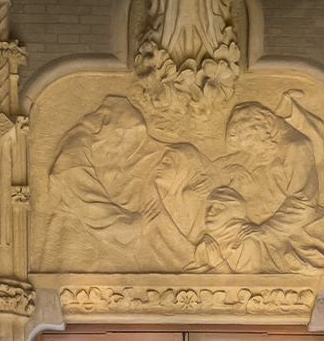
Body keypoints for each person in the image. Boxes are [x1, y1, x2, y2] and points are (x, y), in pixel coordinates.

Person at [37, 96, 212, 272]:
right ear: (111, 129)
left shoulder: (108, 148)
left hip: (109, 247)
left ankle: (190, 257)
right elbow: (90, 205)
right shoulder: (73, 156)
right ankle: (190, 259)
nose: (127, 148)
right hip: (75, 248)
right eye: (125, 138)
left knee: (150, 201)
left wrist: (206, 173)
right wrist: (133, 226)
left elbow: (163, 151)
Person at [194, 102, 324, 273]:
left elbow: (304, 203)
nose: (251, 152)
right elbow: (233, 163)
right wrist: (216, 177)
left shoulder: (296, 147)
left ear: (258, 130)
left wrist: (265, 230)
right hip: (259, 228)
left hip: (296, 235)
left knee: (241, 254)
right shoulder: (267, 145)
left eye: (249, 146)